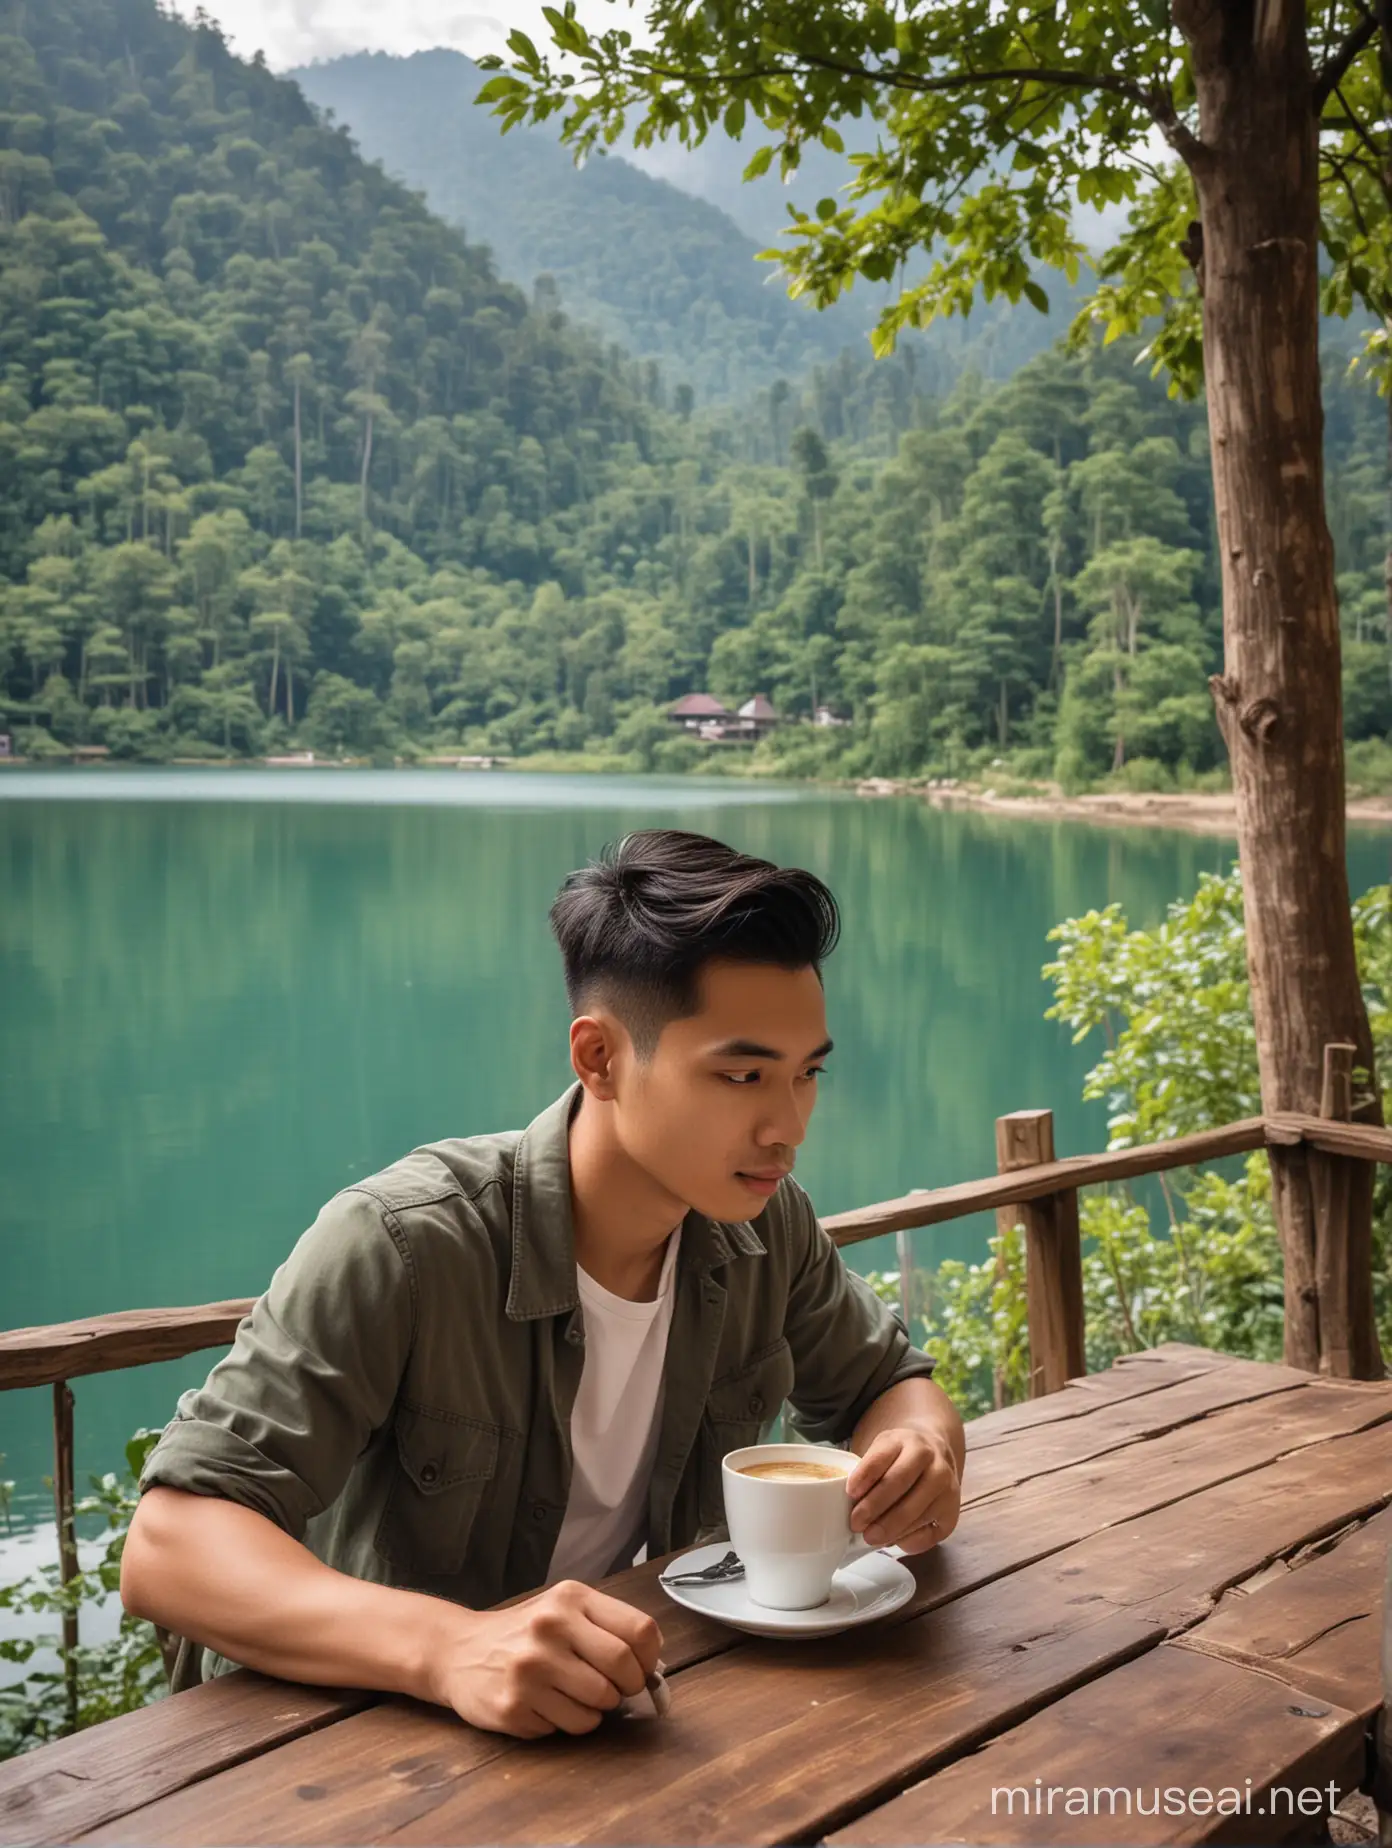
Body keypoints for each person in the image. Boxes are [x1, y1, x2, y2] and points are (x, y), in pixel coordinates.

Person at [122, 829, 964, 1740]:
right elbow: (170, 1546)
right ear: (599, 1058)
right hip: (336, 1743)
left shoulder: (762, 1224)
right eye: (742, 1074)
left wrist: (921, 1452)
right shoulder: (405, 1245)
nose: (787, 1126)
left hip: (602, 1725)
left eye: (807, 1076)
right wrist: (448, 1648)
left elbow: (890, 1386)